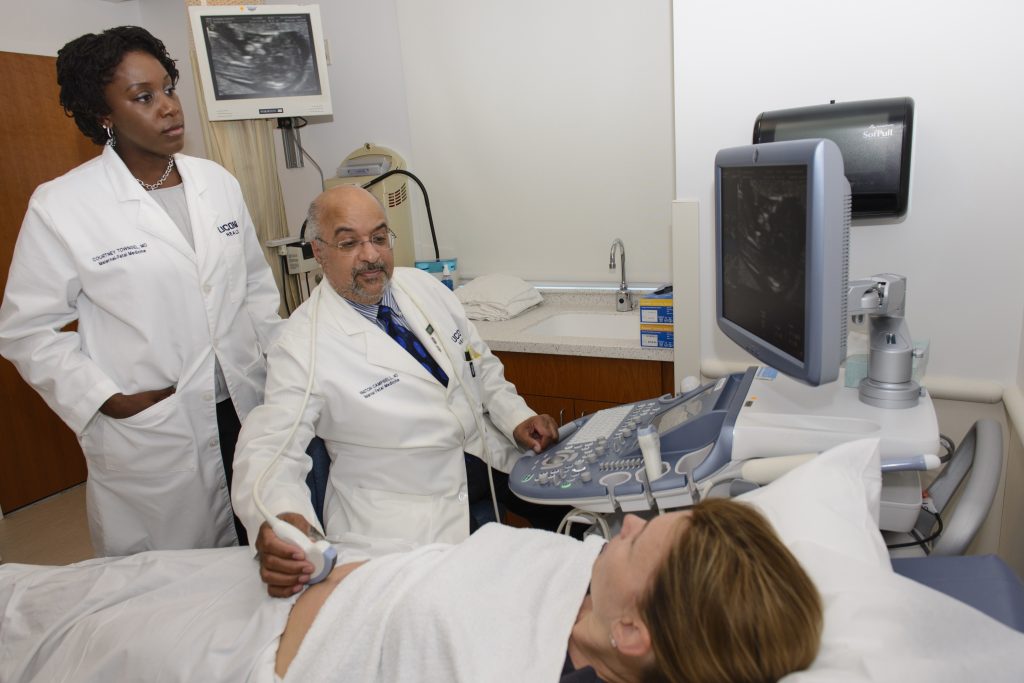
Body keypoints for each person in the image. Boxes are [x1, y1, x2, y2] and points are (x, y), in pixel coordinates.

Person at [0, 499, 823, 683]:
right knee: (97, 578)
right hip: (324, 575)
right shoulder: (588, 594)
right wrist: (311, 550)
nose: (633, 520)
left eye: (648, 535)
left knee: (47, 635)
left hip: (249, 655)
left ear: (636, 632)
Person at [0, 27, 282, 556]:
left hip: (244, 403)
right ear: (103, 116)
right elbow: (26, 329)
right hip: (157, 420)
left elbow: (255, 290)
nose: (170, 108)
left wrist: (283, 370)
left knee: (260, 548)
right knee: (169, 578)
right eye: (143, 97)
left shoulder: (215, 182)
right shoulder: (63, 205)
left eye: (168, 88)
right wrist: (104, 397)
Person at [231, 184, 564, 596]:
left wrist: (517, 418)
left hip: (483, 457)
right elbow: (270, 450)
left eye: (379, 237)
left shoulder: (423, 289)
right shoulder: (301, 345)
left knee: (575, 517)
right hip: (402, 513)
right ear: (319, 252)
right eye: (349, 242)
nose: (370, 255)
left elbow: (480, 365)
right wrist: (279, 520)